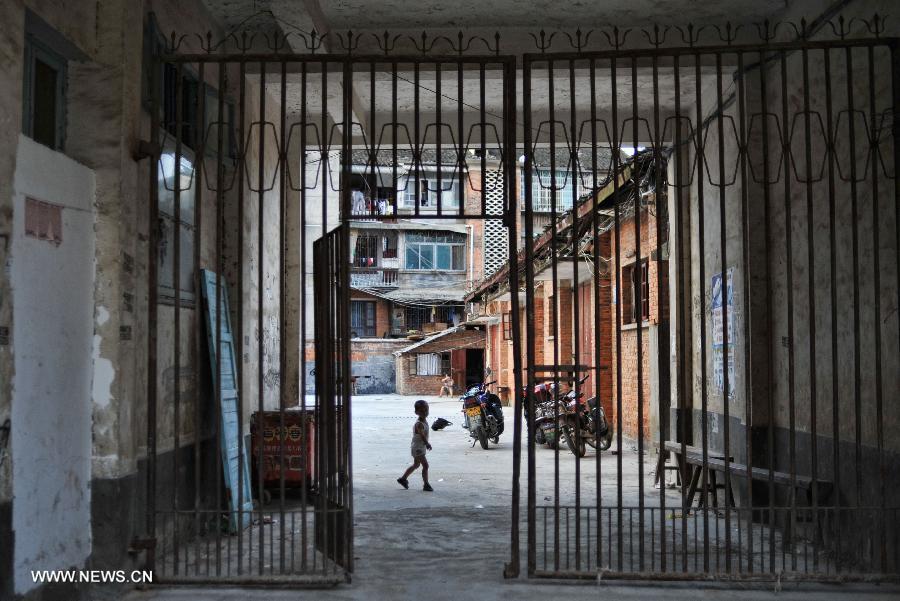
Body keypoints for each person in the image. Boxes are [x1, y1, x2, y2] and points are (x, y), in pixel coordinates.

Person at [397, 400, 433, 492]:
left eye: (426, 410)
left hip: (419, 447)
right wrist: (427, 443)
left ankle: (403, 479)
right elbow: (422, 435)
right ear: (416, 412)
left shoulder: (424, 420)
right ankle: (426, 484)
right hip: (418, 448)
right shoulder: (419, 424)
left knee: (416, 464)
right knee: (425, 465)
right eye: (422, 411)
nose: (425, 412)